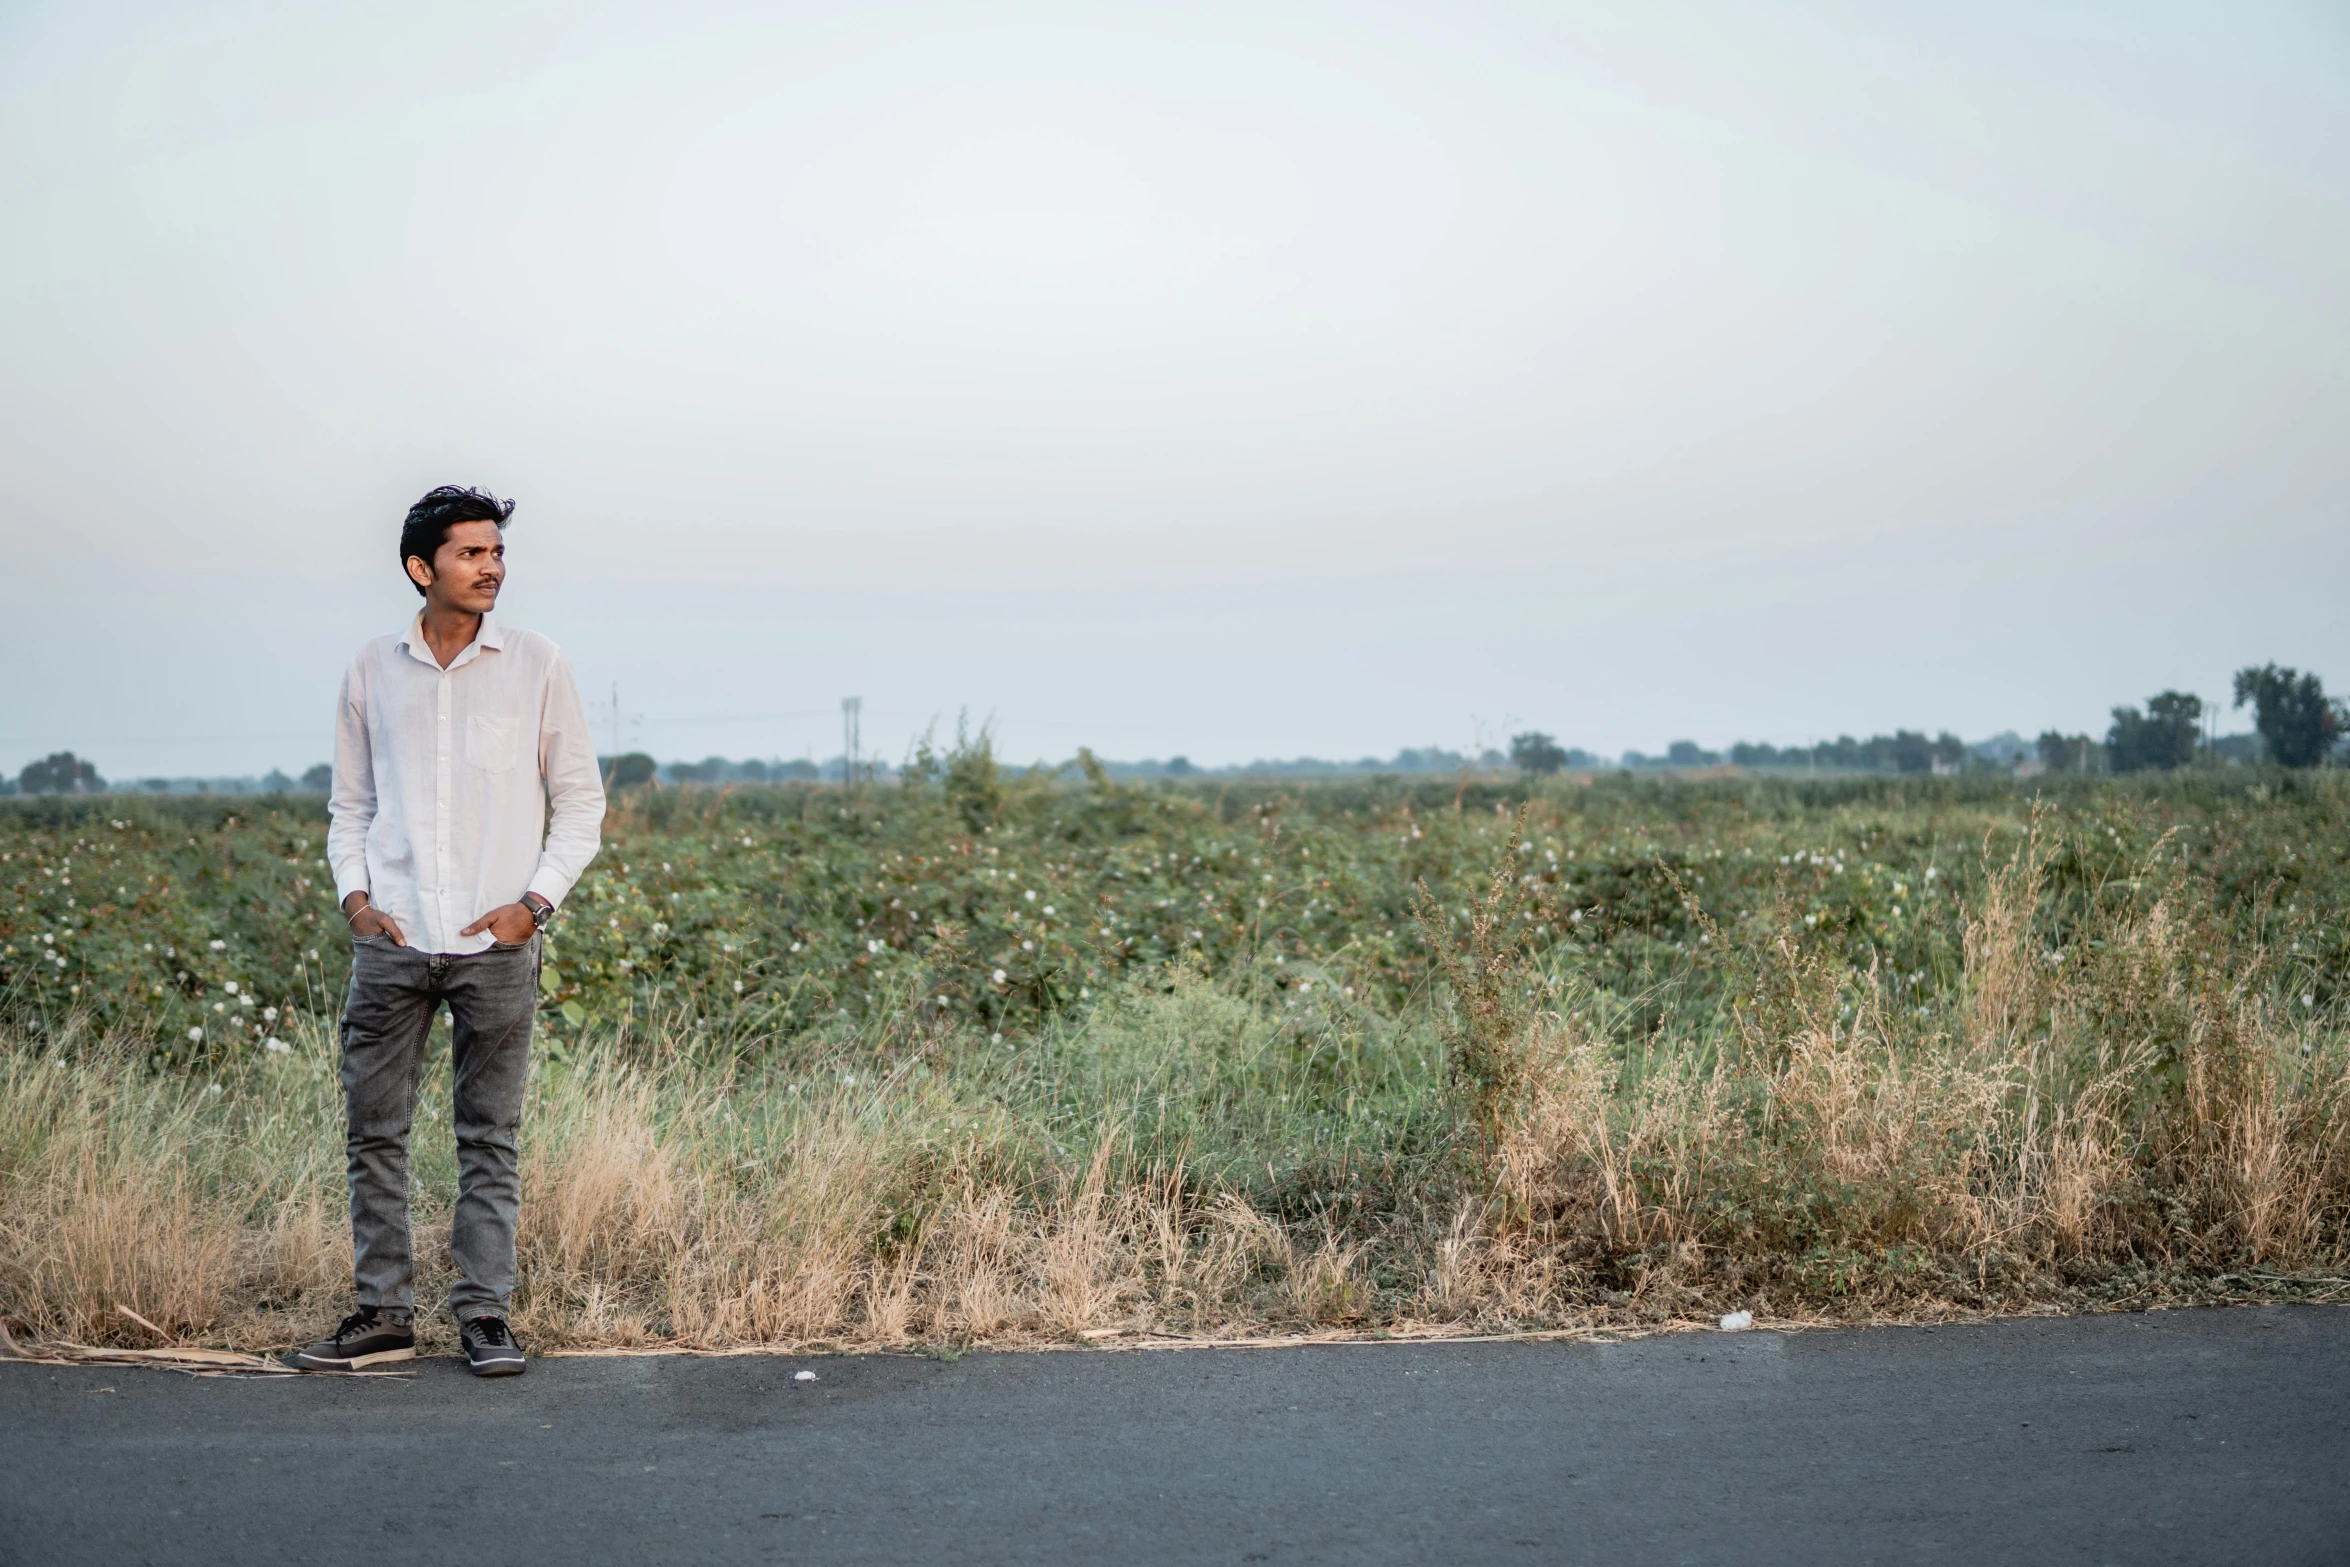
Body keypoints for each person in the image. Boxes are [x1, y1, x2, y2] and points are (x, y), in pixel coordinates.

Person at [289, 485, 604, 1377]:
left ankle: (484, 1315)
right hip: (391, 942)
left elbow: (581, 805)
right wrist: (357, 903)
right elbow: (348, 807)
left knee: (489, 1136)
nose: (493, 567)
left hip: (497, 946)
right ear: (420, 568)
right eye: (472, 553)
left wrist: (532, 907)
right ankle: (383, 1314)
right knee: (373, 1132)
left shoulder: (538, 662)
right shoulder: (370, 670)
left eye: (497, 552)